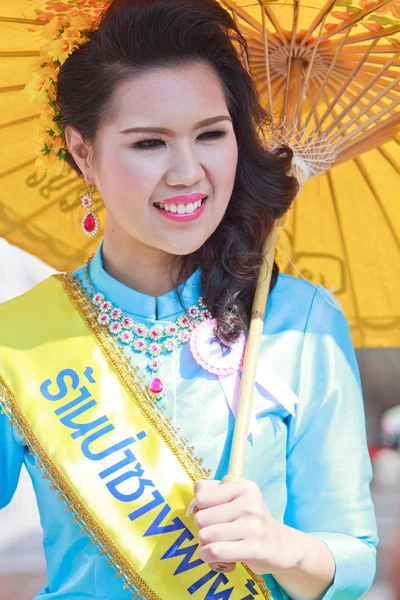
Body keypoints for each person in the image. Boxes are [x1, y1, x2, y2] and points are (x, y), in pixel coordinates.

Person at [0, 1, 378, 599]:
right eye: (149, 143)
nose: (187, 172)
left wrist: (279, 546)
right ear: (83, 152)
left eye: (211, 134)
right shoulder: (17, 339)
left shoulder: (298, 321)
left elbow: (354, 559)